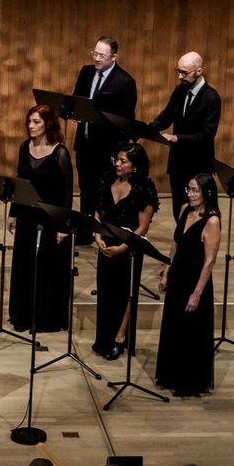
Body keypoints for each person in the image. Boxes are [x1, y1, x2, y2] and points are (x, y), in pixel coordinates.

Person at [7, 103, 73, 332]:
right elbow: (20, 182)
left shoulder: (60, 152)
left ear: (48, 124)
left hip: (50, 219)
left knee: (46, 268)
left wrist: (64, 226)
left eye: (36, 122)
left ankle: (44, 318)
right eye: (29, 122)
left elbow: (67, 192)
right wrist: (13, 212)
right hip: (26, 216)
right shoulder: (25, 147)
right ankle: (23, 315)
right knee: (25, 265)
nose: (31, 126)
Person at [155, 172, 221, 396]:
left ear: (207, 193)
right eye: (189, 190)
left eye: (195, 191)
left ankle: (188, 381)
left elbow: (209, 261)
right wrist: (166, 272)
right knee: (173, 327)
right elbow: (175, 243)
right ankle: (171, 375)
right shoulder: (184, 209)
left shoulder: (212, 221)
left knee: (189, 332)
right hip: (178, 278)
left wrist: (196, 294)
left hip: (195, 281)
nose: (190, 195)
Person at [91, 143, 159, 360]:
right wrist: (97, 236)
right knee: (106, 292)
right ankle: (103, 338)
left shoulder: (144, 188)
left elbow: (143, 227)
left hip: (129, 249)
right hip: (106, 245)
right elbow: (98, 212)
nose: (117, 164)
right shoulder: (107, 179)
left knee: (126, 294)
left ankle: (120, 338)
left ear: (135, 166)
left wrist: (122, 247)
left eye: (123, 161)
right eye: (117, 159)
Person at [146, 51, 222, 221]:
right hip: (178, 162)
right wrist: (147, 129)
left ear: (199, 71)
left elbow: (207, 135)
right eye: (178, 71)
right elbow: (166, 116)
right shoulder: (180, 91)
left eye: (184, 73)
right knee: (178, 207)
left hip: (198, 164)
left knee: (198, 210)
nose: (180, 76)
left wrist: (177, 138)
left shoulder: (211, 98)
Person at [71, 36, 138, 216]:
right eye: (95, 54)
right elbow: (77, 99)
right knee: (85, 189)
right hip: (84, 144)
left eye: (102, 55)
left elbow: (125, 121)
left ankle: (103, 231)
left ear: (114, 57)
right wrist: (74, 113)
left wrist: (116, 153)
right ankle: (85, 231)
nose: (97, 59)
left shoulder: (125, 82)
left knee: (104, 191)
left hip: (106, 149)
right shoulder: (86, 72)